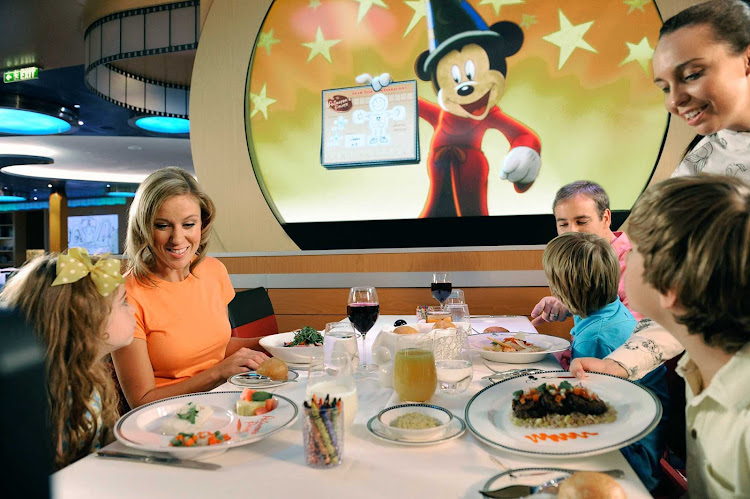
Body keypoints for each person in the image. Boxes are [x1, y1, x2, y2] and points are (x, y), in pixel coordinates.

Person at [573, 0, 750, 382]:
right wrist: (622, 363)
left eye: (692, 75)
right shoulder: (703, 158)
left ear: (747, 59)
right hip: (714, 378)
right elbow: (679, 286)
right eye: (665, 87)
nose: (674, 101)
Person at [598, 175, 748, 496]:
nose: (624, 256)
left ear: (669, 289)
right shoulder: (702, 348)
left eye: (634, 250)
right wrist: (614, 365)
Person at [112, 167, 269, 409]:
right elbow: (141, 401)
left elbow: (216, 348)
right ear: (143, 227)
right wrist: (218, 373)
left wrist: (282, 343)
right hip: (170, 417)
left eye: (188, 224)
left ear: (202, 224)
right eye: (162, 225)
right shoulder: (125, 296)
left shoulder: (214, 270)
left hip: (225, 399)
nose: (177, 238)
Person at [543, 231, 668, 491]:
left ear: (563, 289)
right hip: (638, 436)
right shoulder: (609, 309)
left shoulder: (596, 338)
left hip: (631, 458)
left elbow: (586, 414)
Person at [0, 248, 135, 469]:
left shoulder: (91, 378)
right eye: (123, 302)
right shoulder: (52, 403)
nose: (133, 310)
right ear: (87, 321)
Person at [531, 181, 644, 325]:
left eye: (582, 222)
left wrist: (579, 307)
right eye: (563, 224)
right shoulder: (577, 262)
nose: (572, 231)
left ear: (606, 218)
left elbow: (635, 331)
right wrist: (571, 304)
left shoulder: (638, 267)